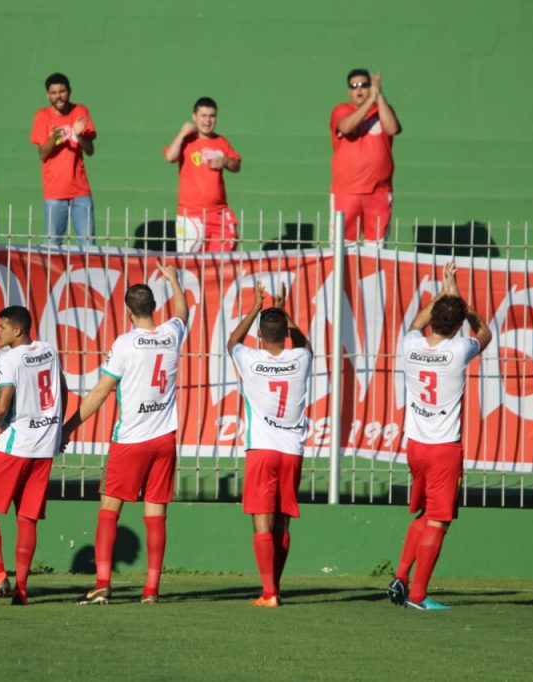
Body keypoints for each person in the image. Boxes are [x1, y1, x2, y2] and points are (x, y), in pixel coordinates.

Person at [63, 264, 188, 604]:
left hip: (131, 438)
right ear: (153, 309)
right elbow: (182, 312)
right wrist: (175, 282)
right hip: (165, 439)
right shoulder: (171, 334)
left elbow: (102, 392)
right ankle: (151, 590)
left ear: (128, 310)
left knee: (109, 508)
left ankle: (102, 584)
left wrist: (69, 426)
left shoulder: (124, 344)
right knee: (156, 513)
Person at [387, 261, 491, 610]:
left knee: (425, 515)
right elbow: (485, 334)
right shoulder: (458, 351)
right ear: (459, 324)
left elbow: (417, 323)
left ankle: (400, 577)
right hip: (443, 448)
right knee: (439, 519)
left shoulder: (410, 343)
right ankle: (417, 595)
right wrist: (460, 299)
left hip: (415, 446)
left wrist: (443, 296)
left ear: (433, 318)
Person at [0, 305, 67, 606]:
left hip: (17, 445)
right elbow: (63, 388)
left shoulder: (9, 359)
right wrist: (59, 428)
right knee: (27, 519)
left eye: (1, 327)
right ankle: (21, 590)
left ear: (17, 330)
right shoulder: (49, 350)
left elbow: (2, 403)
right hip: (45, 445)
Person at [226, 282, 312, 607]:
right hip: (292, 450)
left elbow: (232, 340)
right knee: (283, 518)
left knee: (261, 516)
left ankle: (268, 593)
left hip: (262, 449)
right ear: (286, 335)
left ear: (260, 336)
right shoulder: (301, 358)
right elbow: (304, 342)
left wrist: (255, 308)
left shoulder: (249, 359)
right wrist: (283, 311)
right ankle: (275, 587)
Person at [330, 68, 402, 244]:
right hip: (347, 191)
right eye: (354, 86)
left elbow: (392, 128)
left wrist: (379, 97)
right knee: (342, 245)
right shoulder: (341, 109)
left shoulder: (383, 109)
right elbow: (346, 128)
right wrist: (370, 100)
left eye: (364, 85)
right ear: (349, 91)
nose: (359, 89)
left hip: (379, 191)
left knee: (377, 246)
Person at [163, 97, 242, 253]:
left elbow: (237, 165)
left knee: (221, 264)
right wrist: (182, 133)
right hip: (191, 216)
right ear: (194, 117)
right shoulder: (186, 140)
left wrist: (226, 161)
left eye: (211, 116)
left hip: (219, 214)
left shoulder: (221, 141)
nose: (207, 120)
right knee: (190, 266)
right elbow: (170, 157)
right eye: (203, 116)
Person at [30, 72, 97, 246]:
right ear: (47, 95)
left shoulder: (80, 111)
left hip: (81, 192)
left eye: (62, 91)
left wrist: (78, 135)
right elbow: (42, 155)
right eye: (53, 93)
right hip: (54, 193)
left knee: (88, 246)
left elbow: (90, 150)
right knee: (53, 246)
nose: (58, 96)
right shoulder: (42, 116)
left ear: (69, 91)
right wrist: (54, 138)